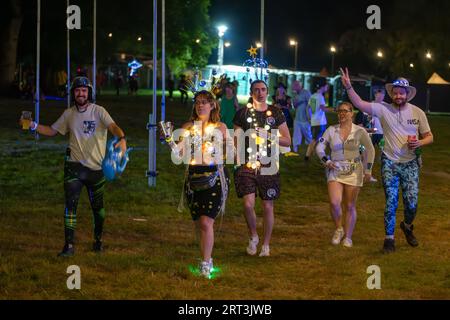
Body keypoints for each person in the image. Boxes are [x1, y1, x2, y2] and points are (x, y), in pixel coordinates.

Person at [19, 76, 127, 257]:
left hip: (96, 169)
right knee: (70, 206)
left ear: (89, 93)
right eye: (77, 91)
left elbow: (113, 126)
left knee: (98, 209)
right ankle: (68, 246)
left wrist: (121, 138)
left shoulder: (99, 111)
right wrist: (33, 125)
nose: (81, 94)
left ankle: (98, 241)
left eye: (84, 90)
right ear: (73, 94)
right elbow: (52, 131)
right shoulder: (68, 114)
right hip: (73, 168)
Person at [340, 68, 434, 253]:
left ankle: (407, 226)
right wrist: (349, 86)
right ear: (392, 94)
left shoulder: (418, 113)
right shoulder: (383, 109)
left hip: (411, 164)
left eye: (402, 93)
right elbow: (359, 103)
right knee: (391, 201)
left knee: (412, 204)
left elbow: (430, 136)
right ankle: (389, 239)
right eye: (396, 92)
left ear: (407, 94)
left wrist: (420, 143)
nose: (398, 95)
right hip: (390, 162)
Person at [173, 90, 230, 278]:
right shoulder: (188, 127)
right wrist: (169, 140)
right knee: (199, 223)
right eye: (197, 102)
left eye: (204, 102)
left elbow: (230, 152)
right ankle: (204, 256)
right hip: (193, 179)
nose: (200, 105)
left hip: (214, 177)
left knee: (206, 222)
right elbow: (178, 154)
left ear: (212, 105)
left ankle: (206, 263)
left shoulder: (220, 127)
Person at [233, 80, 292, 257]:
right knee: (248, 204)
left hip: (269, 165)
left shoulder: (275, 113)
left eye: (263, 89)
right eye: (256, 90)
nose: (260, 93)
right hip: (247, 164)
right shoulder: (242, 114)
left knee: (268, 206)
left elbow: (288, 140)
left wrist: (269, 136)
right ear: (251, 92)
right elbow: (235, 140)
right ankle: (253, 236)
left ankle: (266, 244)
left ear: (267, 92)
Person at [316, 102, 375, 247]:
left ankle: (348, 237)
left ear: (351, 113)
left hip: (354, 170)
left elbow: (370, 150)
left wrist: (368, 170)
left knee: (349, 205)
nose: (341, 114)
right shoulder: (331, 130)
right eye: (339, 111)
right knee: (334, 203)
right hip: (335, 168)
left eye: (345, 111)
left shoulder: (360, 131)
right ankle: (339, 229)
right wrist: (326, 160)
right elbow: (319, 147)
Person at [355, 87, 386, 183]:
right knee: (366, 155)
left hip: (382, 135)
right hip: (370, 134)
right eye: (378, 94)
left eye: (382, 95)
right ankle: (365, 174)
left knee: (386, 155)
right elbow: (360, 122)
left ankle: (388, 174)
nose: (380, 96)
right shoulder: (369, 106)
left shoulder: (387, 107)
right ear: (375, 95)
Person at [305, 78, 334, 161]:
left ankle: (315, 154)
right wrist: (334, 109)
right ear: (322, 87)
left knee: (319, 139)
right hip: (320, 123)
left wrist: (309, 118)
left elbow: (308, 108)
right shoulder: (320, 96)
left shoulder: (313, 96)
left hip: (314, 122)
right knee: (317, 140)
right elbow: (323, 108)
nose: (327, 88)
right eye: (326, 86)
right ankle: (308, 156)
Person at [291, 80, 312, 153]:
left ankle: (312, 146)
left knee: (308, 134)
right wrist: (295, 103)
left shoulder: (306, 92)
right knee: (296, 134)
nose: (294, 87)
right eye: (294, 85)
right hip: (297, 118)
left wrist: (310, 116)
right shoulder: (295, 95)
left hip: (305, 118)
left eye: (295, 85)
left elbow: (311, 104)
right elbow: (294, 106)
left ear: (300, 85)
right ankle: (295, 147)